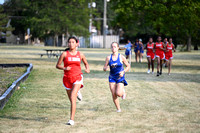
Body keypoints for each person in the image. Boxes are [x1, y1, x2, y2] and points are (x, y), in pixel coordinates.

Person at [56, 36, 90, 125]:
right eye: (69, 42)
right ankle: (77, 92)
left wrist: (87, 69)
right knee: (71, 100)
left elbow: (86, 64)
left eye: (73, 42)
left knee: (72, 97)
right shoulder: (64, 54)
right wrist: (64, 67)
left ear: (76, 44)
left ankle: (71, 119)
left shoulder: (80, 54)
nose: (71, 44)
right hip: (67, 78)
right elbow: (57, 65)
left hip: (78, 77)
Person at [103, 42, 130, 112]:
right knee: (113, 94)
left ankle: (123, 92)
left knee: (118, 93)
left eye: (115, 47)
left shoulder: (121, 57)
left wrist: (123, 71)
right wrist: (106, 68)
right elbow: (104, 68)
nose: (113, 48)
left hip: (120, 77)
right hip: (112, 77)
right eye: (112, 47)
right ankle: (118, 109)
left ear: (118, 48)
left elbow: (128, 66)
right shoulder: (108, 58)